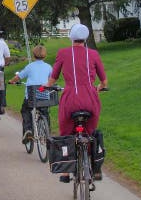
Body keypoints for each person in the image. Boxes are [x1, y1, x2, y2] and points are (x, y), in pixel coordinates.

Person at [46, 23, 108, 183]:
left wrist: (47, 85)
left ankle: (65, 172)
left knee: (66, 132)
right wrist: (99, 88)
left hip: (70, 98)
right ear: (85, 38)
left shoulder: (63, 53)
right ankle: (95, 169)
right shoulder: (93, 54)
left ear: (71, 38)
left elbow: (53, 78)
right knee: (90, 133)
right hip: (90, 99)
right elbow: (104, 81)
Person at [8, 45, 52, 144]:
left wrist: (11, 81)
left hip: (31, 96)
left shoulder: (30, 66)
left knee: (25, 110)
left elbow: (19, 76)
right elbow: (52, 79)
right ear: (44, 56)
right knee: (45, 112)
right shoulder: (49, 67)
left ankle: (28, 130)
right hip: (44, 96)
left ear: (33, 55)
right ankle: (47, 132)